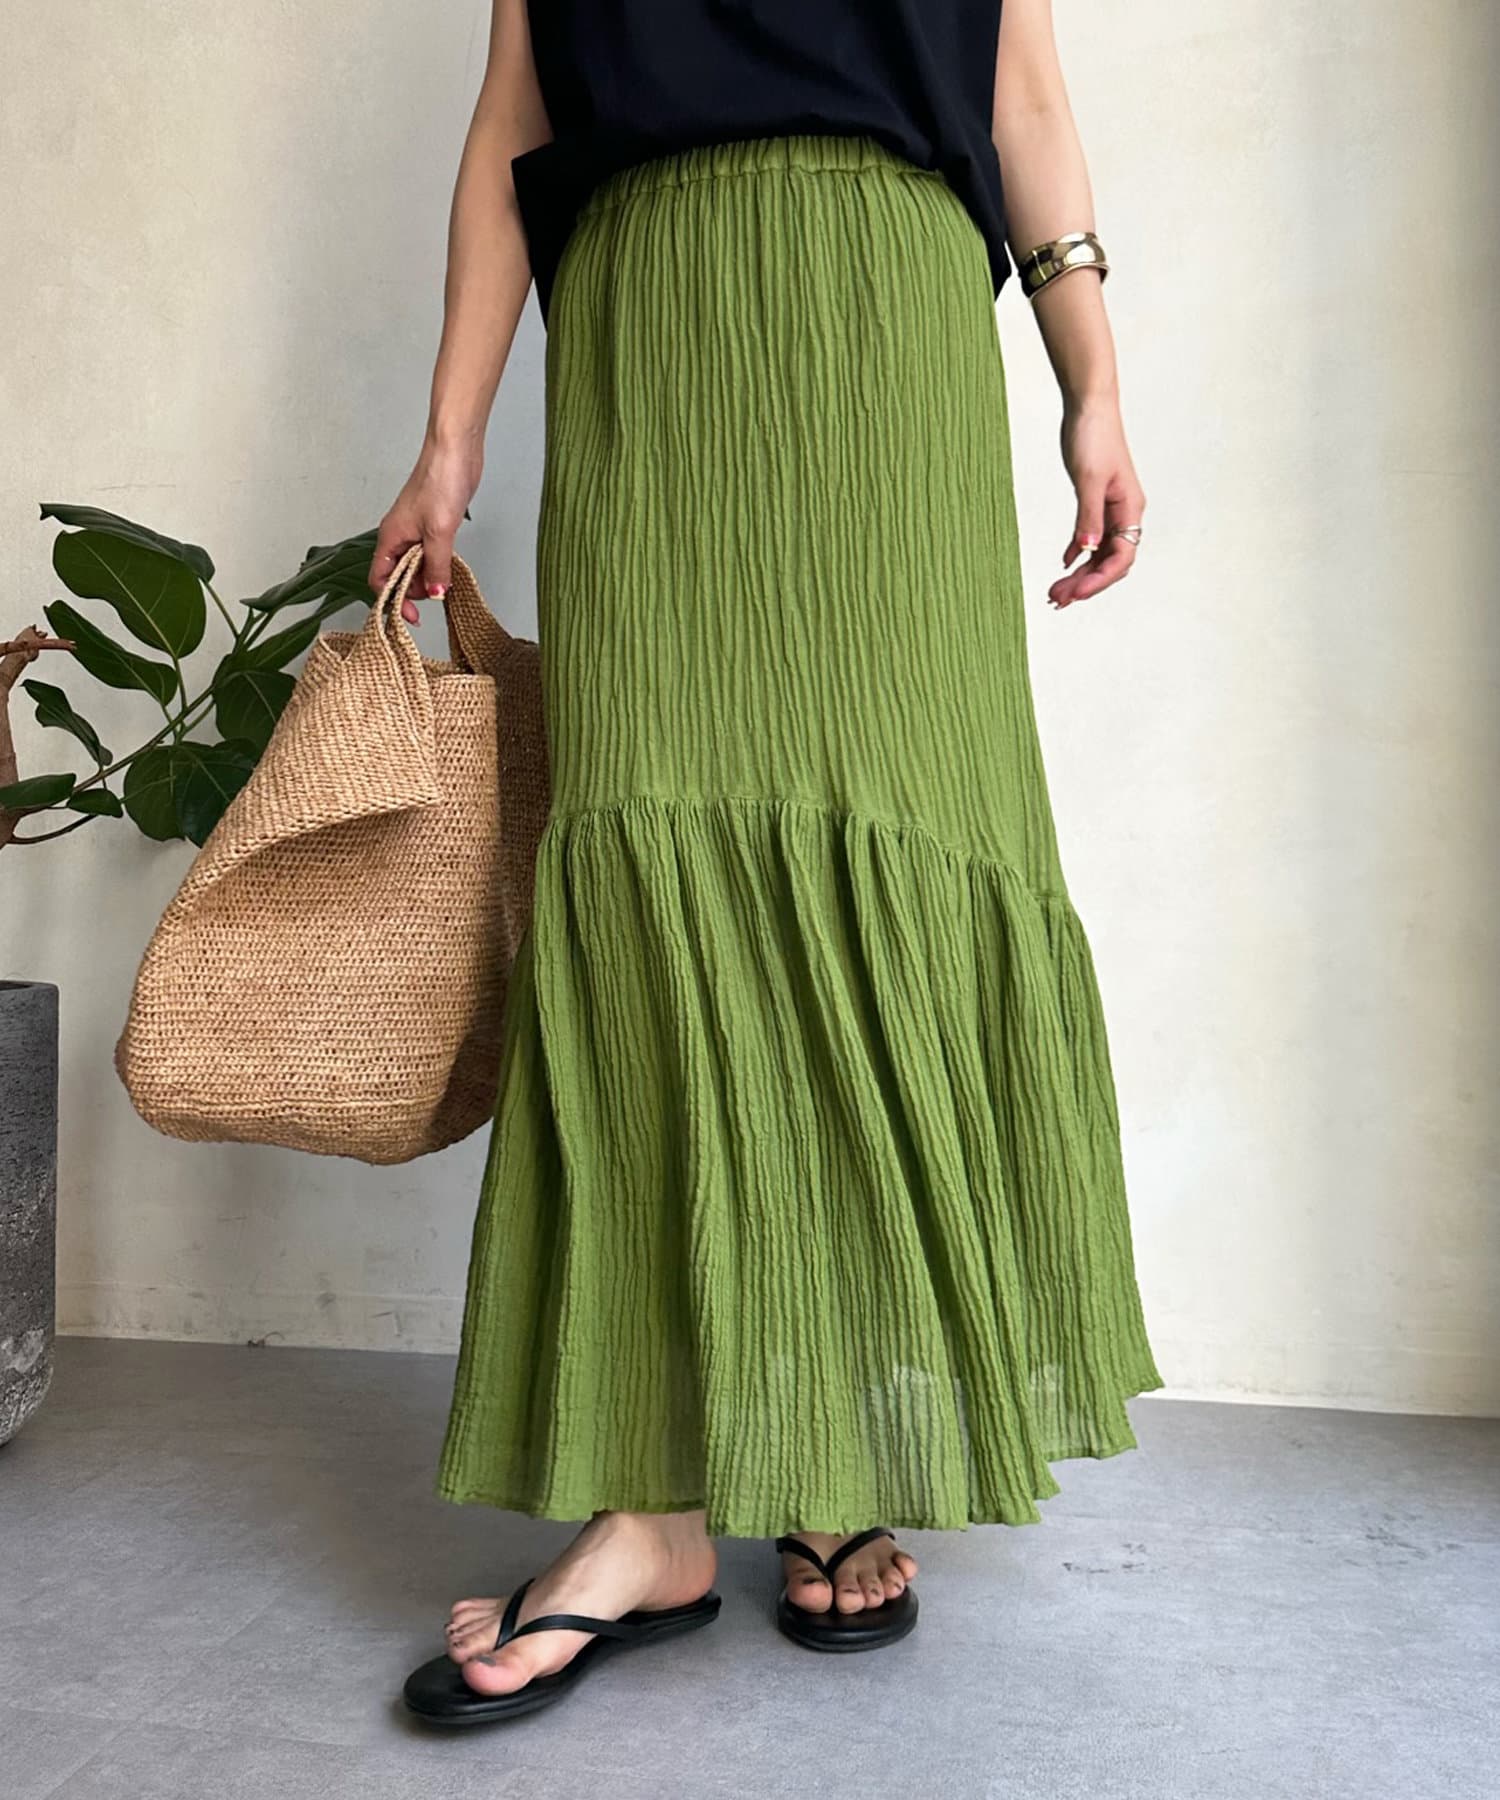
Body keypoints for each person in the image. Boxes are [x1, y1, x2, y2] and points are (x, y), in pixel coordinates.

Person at [373, 0, 1162, 1728]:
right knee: (652, 881)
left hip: (889, 319)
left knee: (891, 858)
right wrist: (451, 431)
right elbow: (514, 116)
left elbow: (1024, 96)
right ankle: (649, 1505)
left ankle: (825, 1449)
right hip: (651, 325)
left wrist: (1093, 381)